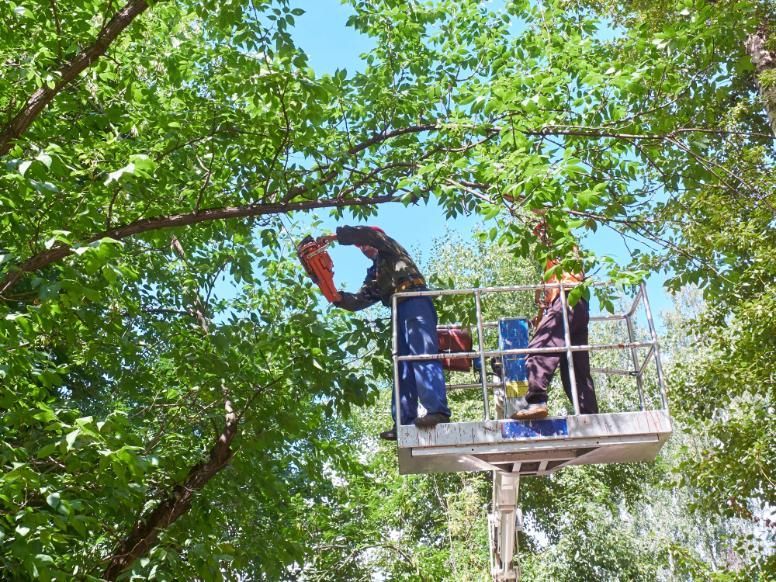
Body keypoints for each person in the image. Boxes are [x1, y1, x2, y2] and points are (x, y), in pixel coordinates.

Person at [318, 226, 451, 440]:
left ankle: (438, 411)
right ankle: (403, 421)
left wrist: (335, 237)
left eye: (363, 243)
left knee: (422, 354)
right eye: (359, 246)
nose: (362, 247)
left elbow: (370, 235)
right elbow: (360, 299)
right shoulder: (376, 273)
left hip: (415, 298)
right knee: (402, 365)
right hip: (398, 308)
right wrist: (335, 296)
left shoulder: (390, 248)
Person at [512, 217, 598, 420]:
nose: (538, 235)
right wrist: (542, 314)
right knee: (575, 366)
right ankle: (590, 416)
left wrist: (513, 193)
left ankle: (536, 401)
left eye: (540, 231)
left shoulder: (562, 240)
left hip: (568, 297)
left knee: (541, 347)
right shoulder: (555, 263)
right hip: (579, 305)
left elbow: (544, 210)